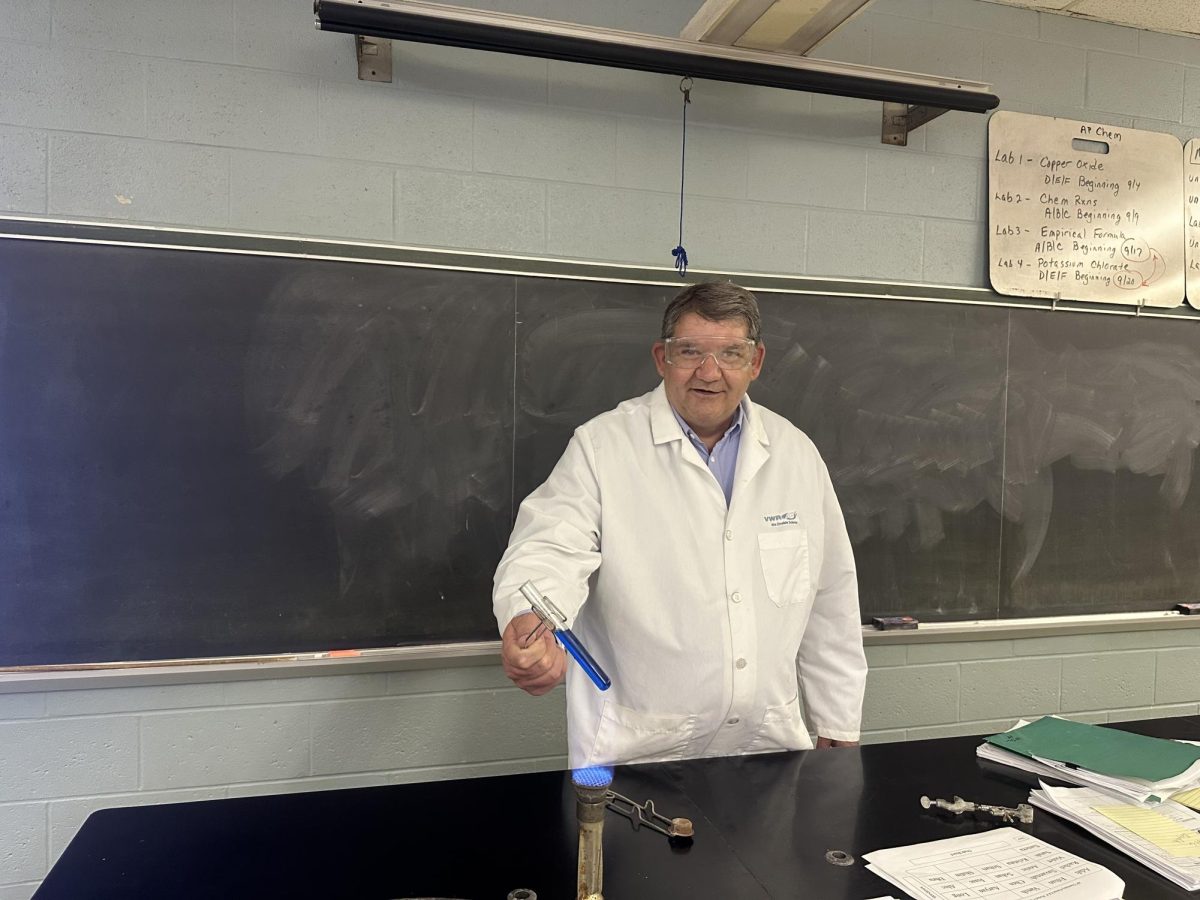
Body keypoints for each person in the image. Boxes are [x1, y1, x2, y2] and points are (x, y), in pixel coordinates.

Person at [493, 282, 867, 768]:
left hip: (769, 747)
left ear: (755, 363)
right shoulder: (603, 447)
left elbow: (830, 597)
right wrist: (531, 621)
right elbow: (548, 547)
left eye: (731, 353)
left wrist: (836, 720)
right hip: (640, 752)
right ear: (661, 358)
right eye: (690, 351)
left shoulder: (796, 454)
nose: (709, 372)